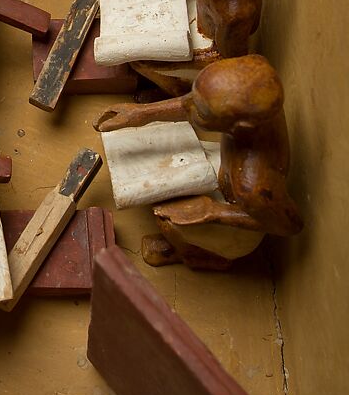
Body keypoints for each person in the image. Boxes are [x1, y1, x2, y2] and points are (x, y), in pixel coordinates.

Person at [96, 55, 302, 271]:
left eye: (201, 112)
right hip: (227, 174)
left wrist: (212, 212)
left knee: (167, 217)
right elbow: (192, 104)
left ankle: (196, 253)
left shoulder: (253, 186)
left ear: (241, 125)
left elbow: (289, 225)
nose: (189, 105)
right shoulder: (258, 88)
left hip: (238, 222)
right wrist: (143, 113)